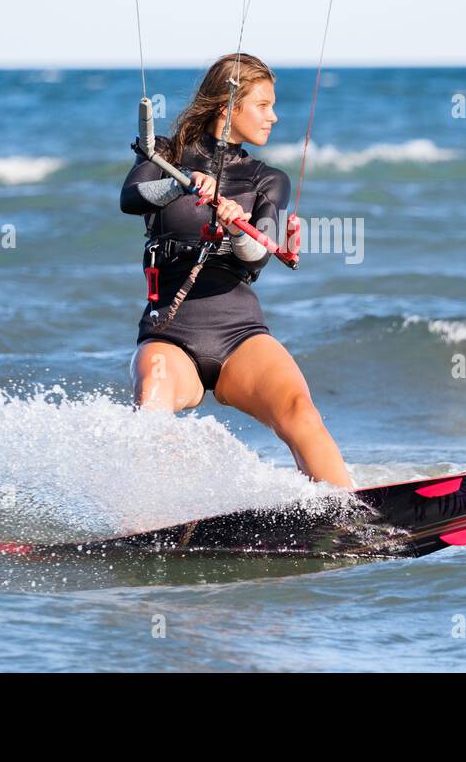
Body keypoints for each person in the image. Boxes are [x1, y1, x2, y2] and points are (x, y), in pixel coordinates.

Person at [120, 53, 354, 488]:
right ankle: (144, 516)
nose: (274, 117)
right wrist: (179, 183)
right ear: (228, 108)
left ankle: (350, 511)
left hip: (239, 332)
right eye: (263, 105)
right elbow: (130, 198)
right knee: (152, 392)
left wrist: (234, 226)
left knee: (300, 411)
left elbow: (258, 257)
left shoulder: (269, 180)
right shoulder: (165, 156)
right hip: (170, 332)